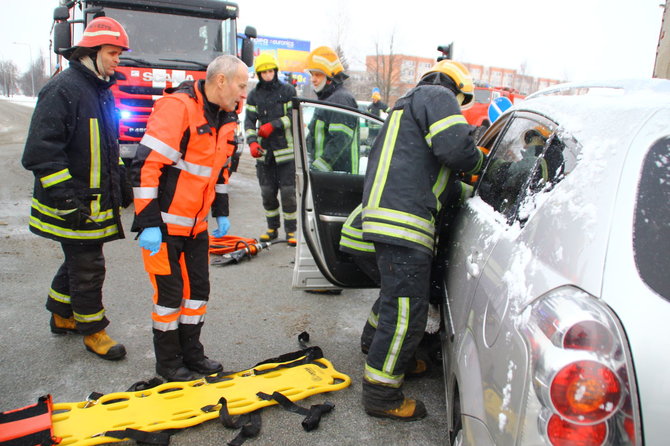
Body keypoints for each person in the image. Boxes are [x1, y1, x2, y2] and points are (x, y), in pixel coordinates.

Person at [340, 60, 485, 421]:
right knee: (406, 311)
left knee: (395, 298)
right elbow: (457, 151)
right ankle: (381, 393)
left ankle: (374, 344)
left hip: (374, 223)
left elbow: (444, 180)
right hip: (402, 224)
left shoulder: (405, 113)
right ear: (458, 90)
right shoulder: (437, 95)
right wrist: (481, 160)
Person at [130, 55, 248, 382]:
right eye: (241, 85)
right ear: (221, 80)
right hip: (164, 227)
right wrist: (149, 222)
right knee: (169, 299)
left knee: (197, 293)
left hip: (196, 228)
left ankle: (192, 355)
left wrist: (221, 213)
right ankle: (168, 363)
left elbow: (220, 170)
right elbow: (146, 167)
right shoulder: (179, 108)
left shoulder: (227, 118)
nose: (243, 94)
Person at [21, 17, 132, 361]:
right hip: (71, 202)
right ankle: (93, 330)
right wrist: (67, 197)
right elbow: (41, 152)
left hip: (91, 201)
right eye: (113, 52)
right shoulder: (64, 89)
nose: (118, 60)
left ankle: (60, 313)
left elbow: (107, 145)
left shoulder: (98, 89)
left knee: (77, 261)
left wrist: (122, 182)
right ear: (92, 51)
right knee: (88, 266)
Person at [244, 53, 298, 245]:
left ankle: (291, 231)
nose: (267, 75)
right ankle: (272, 228)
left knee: (288, 194)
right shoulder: (254, 95)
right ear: (258, 74)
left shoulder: (288, 91)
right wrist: (252, 142)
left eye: (270, 71)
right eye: (263, 72)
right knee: (267, 193)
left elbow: (294, 118)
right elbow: (249, 122)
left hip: (286, 154)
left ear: (275, 71)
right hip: (264, 155)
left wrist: (273, 125)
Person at [305, 46, 359, 173]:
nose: (313, 79)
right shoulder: (328, 100)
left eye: (318, 74)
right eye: (312, 74)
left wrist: (317, 168)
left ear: (330, 77)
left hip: (338, 180)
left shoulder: (340, 99)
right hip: (328, 178)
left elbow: (340, 140)